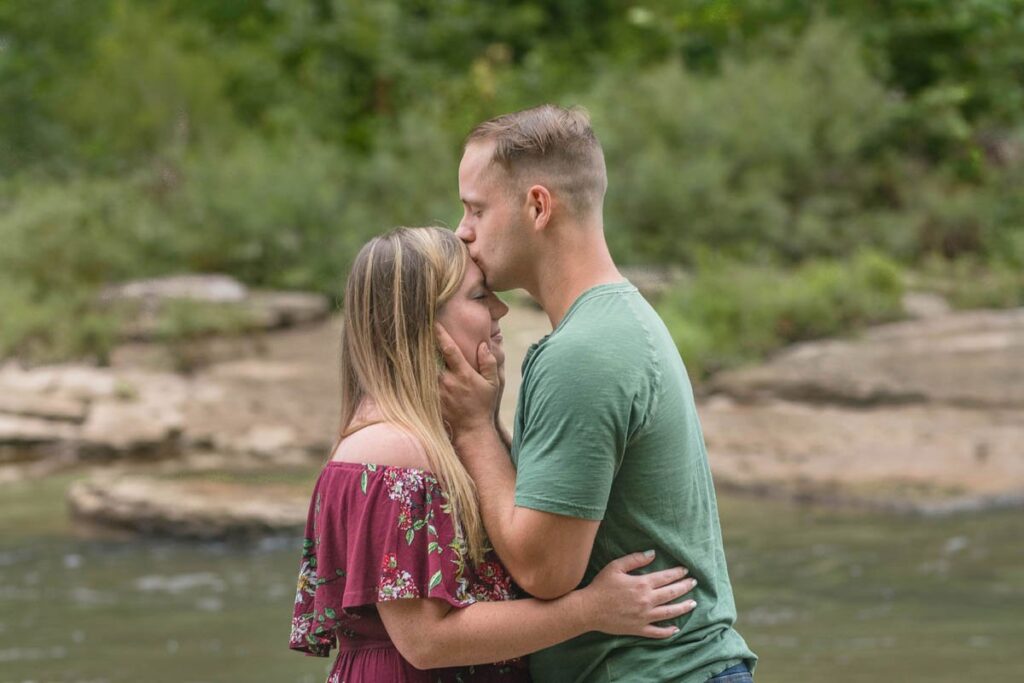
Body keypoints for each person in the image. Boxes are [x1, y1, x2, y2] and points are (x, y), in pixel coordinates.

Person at [288, 227, 699, 682]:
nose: (500, 309)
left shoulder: (438, 436)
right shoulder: (392, 451)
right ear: (420, 321)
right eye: (480, 296)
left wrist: (485, 419)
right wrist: (590, 609)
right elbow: (426, 641)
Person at [437, 105, 758, 682]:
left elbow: (545, 570)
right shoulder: (618, 321)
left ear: (538, 206)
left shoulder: (582, 354)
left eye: (476, 209)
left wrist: (473, 428)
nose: (463, 230)